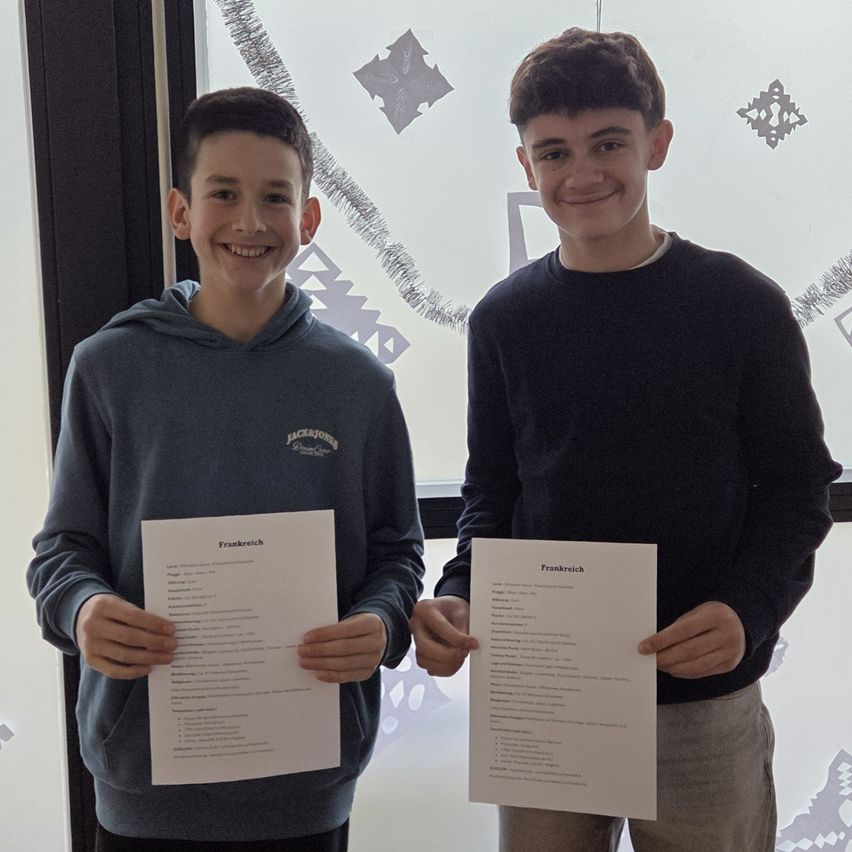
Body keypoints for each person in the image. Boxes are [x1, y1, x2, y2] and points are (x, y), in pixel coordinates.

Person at [409, 27, 841, 852]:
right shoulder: (505, 319)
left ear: (658, 143)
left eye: (608, 143)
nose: (582, 174)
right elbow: (492, 493)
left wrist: (748, 611)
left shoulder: (742, 304)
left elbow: (798, 489)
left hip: (702, 701)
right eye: (553, 152)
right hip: (546, 696)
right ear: (525, 166)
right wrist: (463, 588)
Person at [28, 87, 424, 851]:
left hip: (308, 787)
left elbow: (398, 552)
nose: (250, 222)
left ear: (308, 220)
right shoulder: (108, 367)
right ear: (181, 213)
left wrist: (380, 624)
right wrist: (82, 610)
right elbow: (60, 553)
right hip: (143, 784)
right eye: (224, 194)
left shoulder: (358, 385)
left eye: (276, 197)